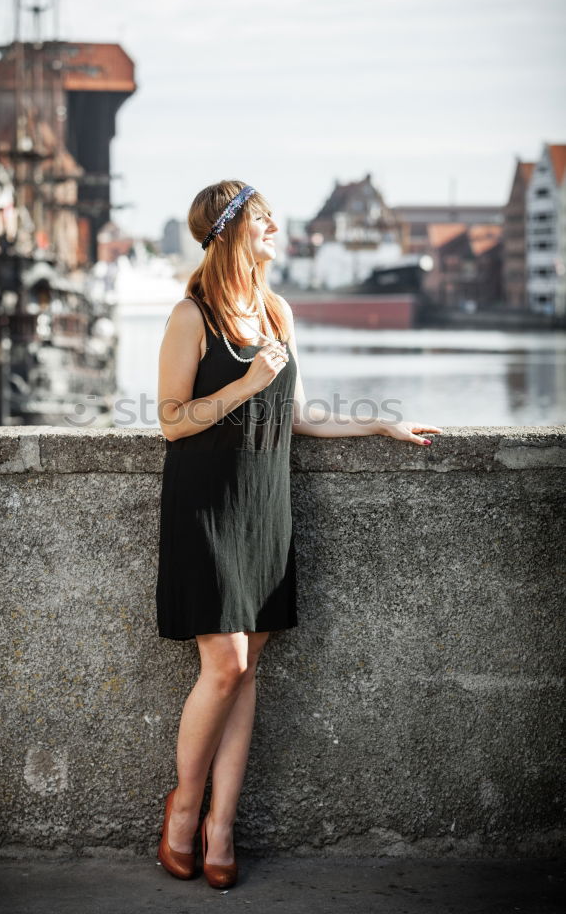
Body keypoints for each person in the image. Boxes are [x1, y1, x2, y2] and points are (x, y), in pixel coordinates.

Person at [155, 180, 442, 888]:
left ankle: (223, 826)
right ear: (229, 231)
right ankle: (184, 811)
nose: (275, 226)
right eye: (261, 219)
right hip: (208, 507)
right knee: (224, 664)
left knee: (248, 667)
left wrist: (378, 423)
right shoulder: (191, 315)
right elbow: (170, 420)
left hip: (265, 505)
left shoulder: (277, 311)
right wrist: (248, 383)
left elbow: (301, 414)